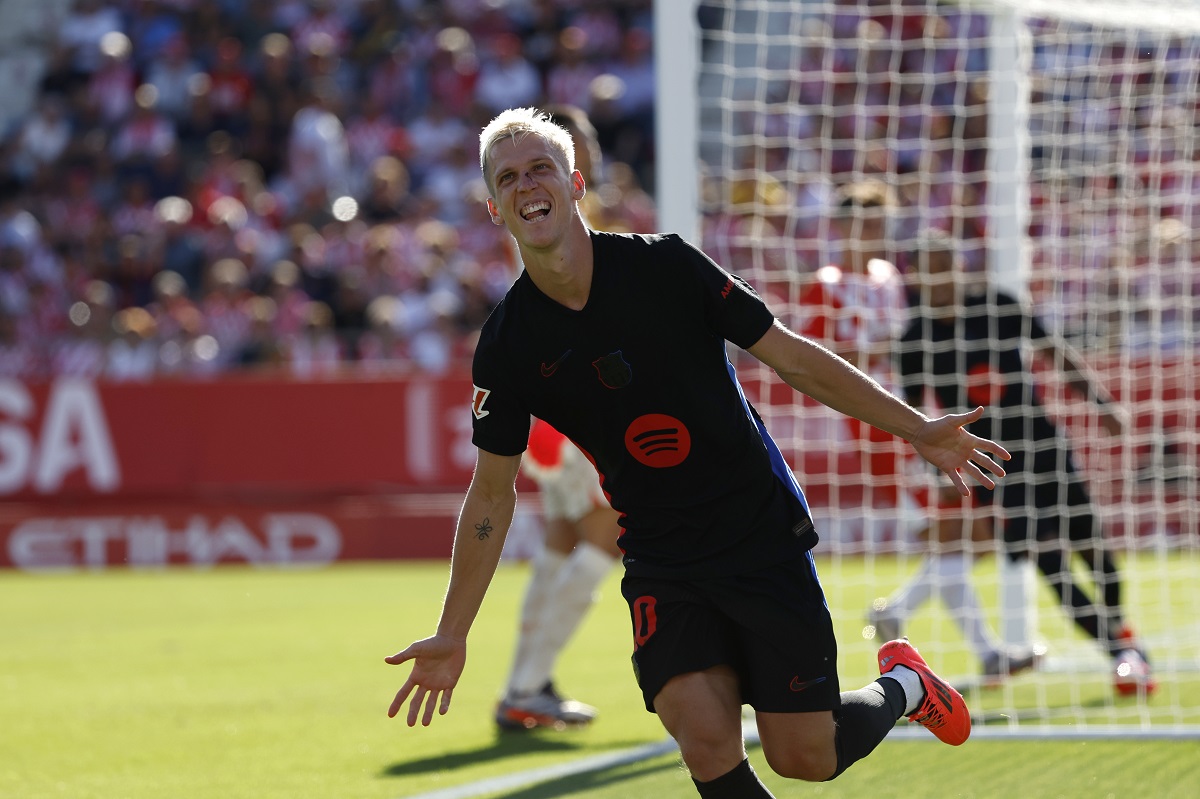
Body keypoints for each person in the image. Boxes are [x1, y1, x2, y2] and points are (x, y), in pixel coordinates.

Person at [385, 108, 1011, 795]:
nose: (527, 185)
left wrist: (917, 426)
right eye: (508, 178)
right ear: (494, 209)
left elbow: (793, 358)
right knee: (702, 736)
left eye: (540, 169)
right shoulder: (508, 344)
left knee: (806, 756)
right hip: (661, 557)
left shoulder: (668, 265)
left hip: (757, 532)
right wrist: (453, 630)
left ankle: (903, 684)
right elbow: (491, 494)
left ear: (575, 181)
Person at [895, 229, 1155, 697]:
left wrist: (1103, 407)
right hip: (990, 466)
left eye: (946, 262)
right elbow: (918, 419)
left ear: (958, 265)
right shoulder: (916, 339)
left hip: (1043, 447)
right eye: (929, 266)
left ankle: (1120, 636)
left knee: (1093, 549)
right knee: (1048, 562)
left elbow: (1055, 352)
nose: (940, 274)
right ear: (915, 275)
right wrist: (943, 472)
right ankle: (1121, 655)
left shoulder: (998, 305)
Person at [800, 182, 1034, 682]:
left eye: (879, 225)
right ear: (840, 229)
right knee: (949, 529)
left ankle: (905, 614)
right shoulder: (826, 284)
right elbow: (817, 362)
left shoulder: (890, 278)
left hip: (922, 412)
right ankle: (986, 651)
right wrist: (884, 349)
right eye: (860, 225)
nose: (871, 235)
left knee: (959, 529)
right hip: (877, 424)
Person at [492, 104, 630, 732]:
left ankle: (526, 686)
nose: (589, 153)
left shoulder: (537, 213)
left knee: (566, 536)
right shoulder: (572, 219)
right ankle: (525, 685)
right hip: (577, 402)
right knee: (604, 533)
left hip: (548, 404)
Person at [494, 418, 621, 730]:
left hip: (548, 424)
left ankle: (518, 689)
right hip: (589, 429)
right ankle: (527, 689)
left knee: (556, 555)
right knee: (601, 547)